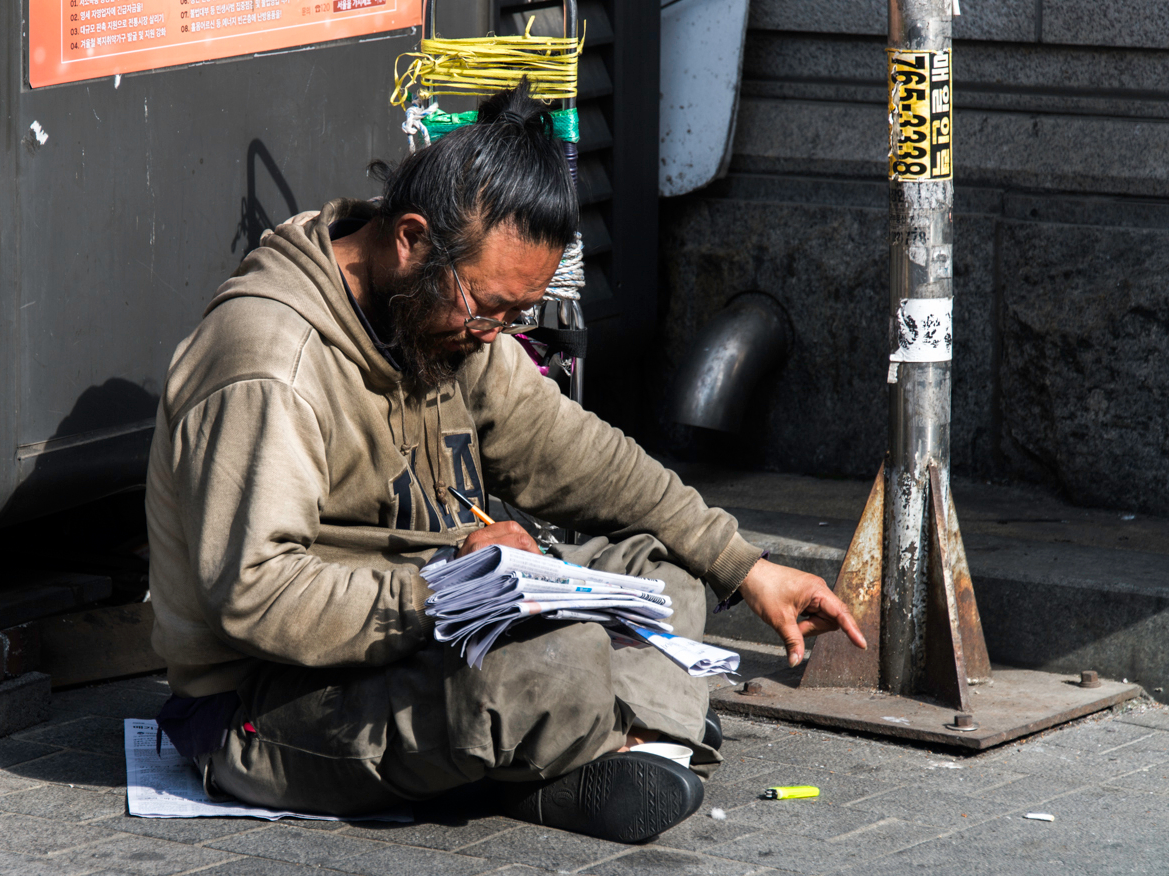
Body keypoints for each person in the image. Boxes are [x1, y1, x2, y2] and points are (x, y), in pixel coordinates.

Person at [145, 83, 865, 843]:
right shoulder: (270, 365)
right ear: (411, 240)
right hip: (265, 701)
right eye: (489, 307)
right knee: (553, 665)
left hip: (438, 624)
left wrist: (746, 568)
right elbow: (257, 596)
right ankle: (627, 743)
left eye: (516, 316)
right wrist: (449, 590)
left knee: (663, 574)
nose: (496, 334)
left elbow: (584, 458)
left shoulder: (440, 318)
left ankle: (612, 747)